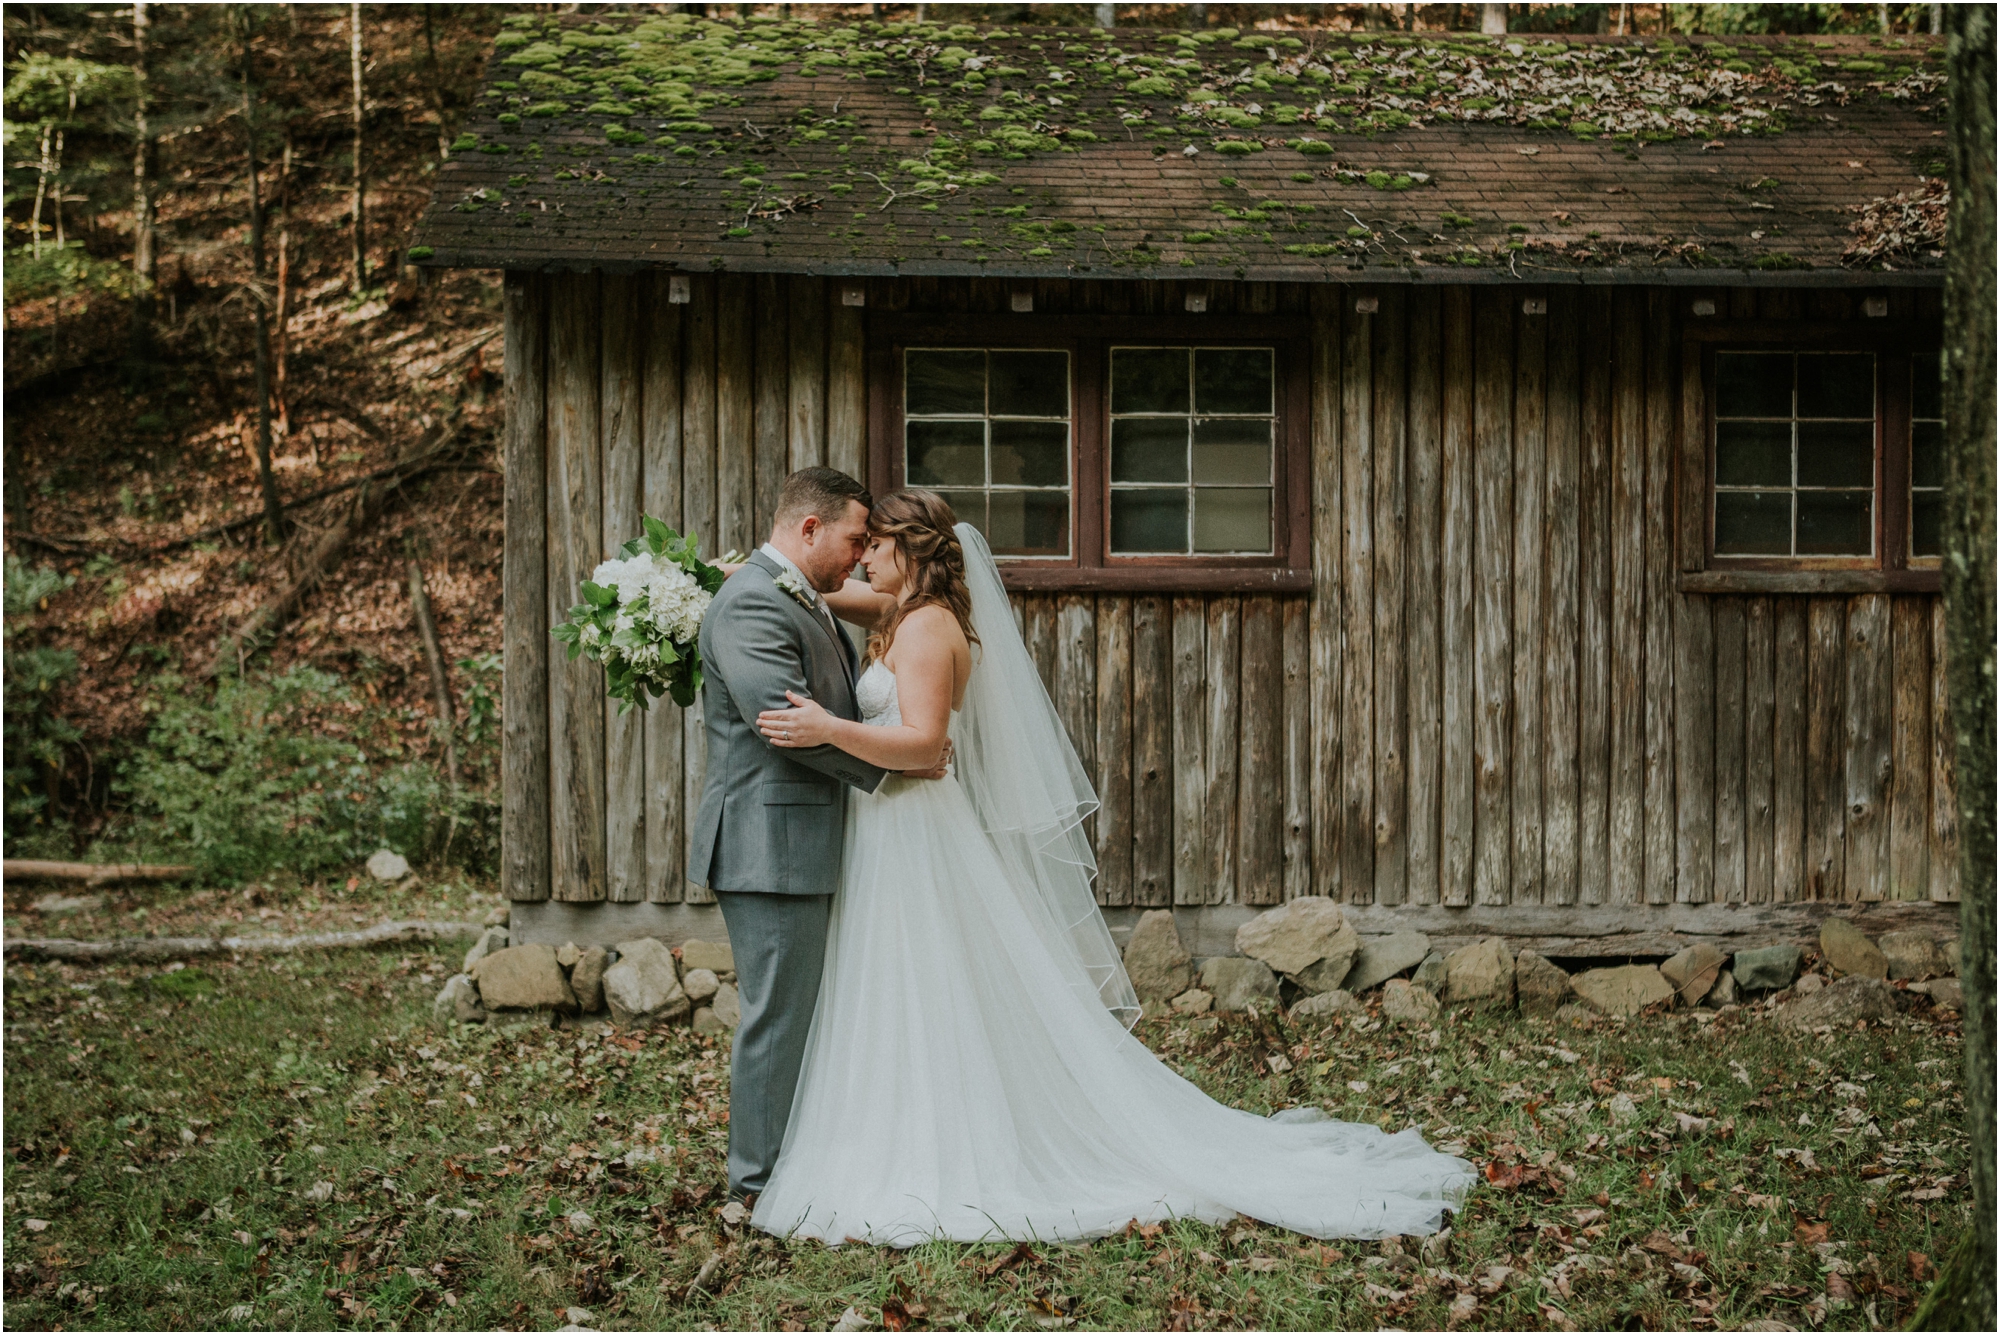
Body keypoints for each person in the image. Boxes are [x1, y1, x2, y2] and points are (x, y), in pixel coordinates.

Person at [740, 487, 1478, 1247]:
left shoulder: (926, 629)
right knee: (898, 981)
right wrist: (753, 573)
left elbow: (927, 747)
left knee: (926, 983)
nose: (861, 557)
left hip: (916, 830)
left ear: (913, 552)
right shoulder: (904, 611)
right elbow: (828, 589)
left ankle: (935, 1148)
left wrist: (829, 726)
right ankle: (888, 1131)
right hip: (890, 828)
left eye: (876, 544)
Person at [686, 467, 950, 1212]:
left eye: (873, 542)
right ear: (810, 529)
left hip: (803, 840)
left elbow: (873, 615)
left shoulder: (794, 592)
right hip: (768, 844)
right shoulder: (749, 606)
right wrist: (899, 761)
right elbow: (785, 727)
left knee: (805, 1013)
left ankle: (796, 1161)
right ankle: (757, 1185)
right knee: (778, 1019)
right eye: (853, 538)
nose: (859, 554)